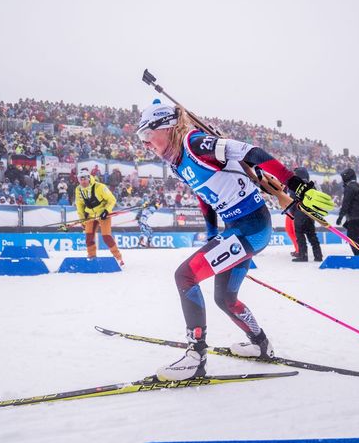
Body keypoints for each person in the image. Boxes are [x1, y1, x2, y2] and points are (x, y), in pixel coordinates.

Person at [136, 100, 334, 381]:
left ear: (166, 127)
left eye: (146, 136)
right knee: (225, 298)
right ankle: (261, 344)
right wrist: (211, 232)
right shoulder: (179, 161)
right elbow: (204, 196)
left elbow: (252, 152)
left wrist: (297, 185)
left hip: (251, 227)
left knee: (185, 276)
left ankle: (195, 357)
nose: (145, 144)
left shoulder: (196, 143)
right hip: (238, 228)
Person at [74, 167, 124, 265]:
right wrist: (82, 220)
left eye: (84, 178)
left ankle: (118, 258)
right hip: (91, 216)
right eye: (80, 179)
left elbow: (112, 200)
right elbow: (79, 205)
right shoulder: (78, 189)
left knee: (106, 237)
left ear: (89, 178)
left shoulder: (99, 187)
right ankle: (91, 257)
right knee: (89, 238)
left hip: (103, 214)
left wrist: (106, 211)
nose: (83, 181)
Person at [291, 167, 322, 262]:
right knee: (312, 235)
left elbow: (292, 200)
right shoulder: (312, 185)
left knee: (300, 235)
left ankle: (303, 255)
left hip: (299, 214)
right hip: (310, 214)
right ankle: (318, 255)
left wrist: (293, 212)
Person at [336, 168, 359, 255]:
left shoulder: (350, 187)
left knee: (352, 237)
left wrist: (340, 217)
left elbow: (346, 203)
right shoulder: (358, 186)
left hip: (354, 216)